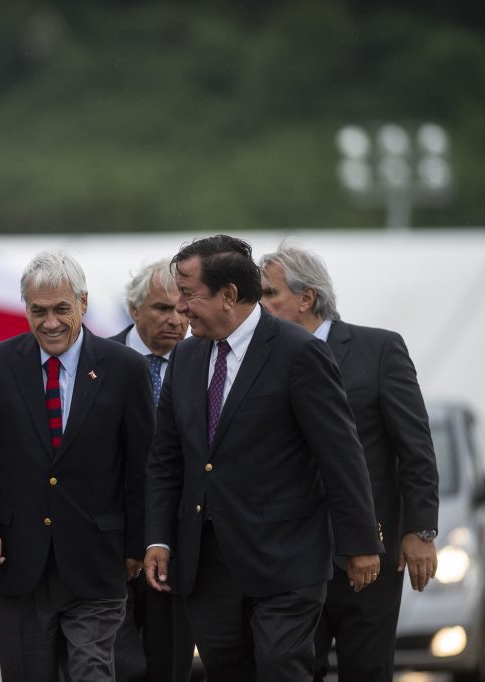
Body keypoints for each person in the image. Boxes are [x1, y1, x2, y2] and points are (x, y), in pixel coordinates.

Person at [143, 234, 383, 682]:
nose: (180, 307)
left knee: (278, 670)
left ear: (229, 295)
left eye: (189, 294)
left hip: (285, 560)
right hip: (208, 562)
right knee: (226, 671)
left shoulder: (300, 352)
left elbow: (341, 454)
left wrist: (361, 542)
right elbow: (166, 459)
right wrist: (158, 537)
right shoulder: (187, 357)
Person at [0, 249, 155, 682]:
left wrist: (136, 545)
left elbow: (143, 467)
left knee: (91, 673)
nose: (50, 322)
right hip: (21, 561)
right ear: (25, 308)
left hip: (98, 562)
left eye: (61, 309)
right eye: (38, 311)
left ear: (83, 304)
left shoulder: (125, 368)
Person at [259, 240, 438, 682]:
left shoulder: (378, 350)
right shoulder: (259, 359)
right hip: (290, 552)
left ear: (306, 297)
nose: (259, 304)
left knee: (367, 669)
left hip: (368, 546)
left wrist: (420, 530)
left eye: (269, 294)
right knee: (292, 668)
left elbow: (414, 446)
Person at [107, 260, 192, 682]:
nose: (175, 320)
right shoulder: (97, 362)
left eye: (183, 309)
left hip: (177, 545)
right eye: (162, 308)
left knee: (168, 665)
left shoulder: (207, 365)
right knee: (117, 667)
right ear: (134, 308)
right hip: (105, 545)